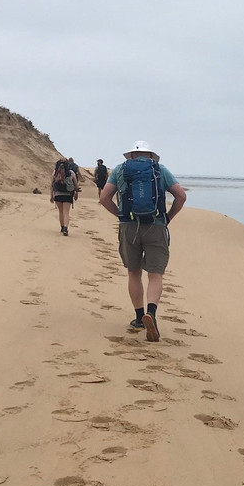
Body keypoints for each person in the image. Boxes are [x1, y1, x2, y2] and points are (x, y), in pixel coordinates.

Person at [99, 140, 186, 342]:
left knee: (134, 272)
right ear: (150, 155)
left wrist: (120, 216)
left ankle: (139, 317)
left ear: (130, 155)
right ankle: (152, 314)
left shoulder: (120, 170)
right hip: (156, 225)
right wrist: (168, 218)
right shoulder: (159, 170)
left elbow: (104, 198)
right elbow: (180, 196)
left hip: (129, 226)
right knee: (155, 274)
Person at [50, 158, 81, 236]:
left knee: (61, 212)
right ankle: (66, 228)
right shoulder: (71, 173)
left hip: (58, 194)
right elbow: (76, 186)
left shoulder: (55, 173)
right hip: (68, 195)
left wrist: (51, 196)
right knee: (66, 212)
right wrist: (76, 194)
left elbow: (52, 185)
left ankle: (62, 227)